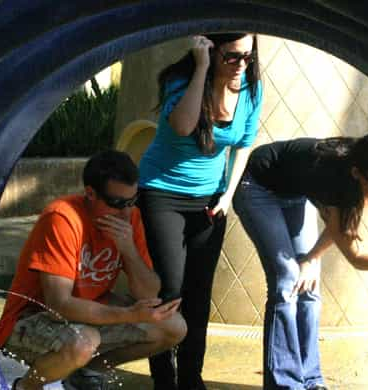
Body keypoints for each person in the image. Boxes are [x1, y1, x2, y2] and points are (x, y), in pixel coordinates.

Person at [232, 133, 368, 390]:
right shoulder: (330, 177)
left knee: (310, 286)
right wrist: (310, 259)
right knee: (288, 280)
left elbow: (349, 242)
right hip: (258, 186)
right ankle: (285, 384)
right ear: (357, 174)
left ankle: (311, 379)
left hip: (295, 193)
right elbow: (355, 255)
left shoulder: (358, 183)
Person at [0, 150, 187, 390]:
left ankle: (87, 373)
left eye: (131, 201)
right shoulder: (63, 217)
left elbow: (149, 294)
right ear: (91, 193)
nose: (125, 212)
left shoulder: (130, 218)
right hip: (28, 319)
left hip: (88, 313)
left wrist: (128, 249)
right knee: (85, 342)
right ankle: (25, 387)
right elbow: (59, 305)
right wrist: (130, 315)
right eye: (116, 203)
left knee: (173, 327)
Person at [138, 33, 263, 390]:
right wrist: (204, 70)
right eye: (232, 57)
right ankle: (164, 377)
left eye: (248, 58)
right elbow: (183, 125)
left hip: (210, 200)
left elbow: (245, 144)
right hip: (162, 193)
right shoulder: (181, 81)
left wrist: (228, 194)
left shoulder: (251, 90)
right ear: (211, 49)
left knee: (198, 292)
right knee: (171, 290)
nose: (241, 66)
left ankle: (191, 377)